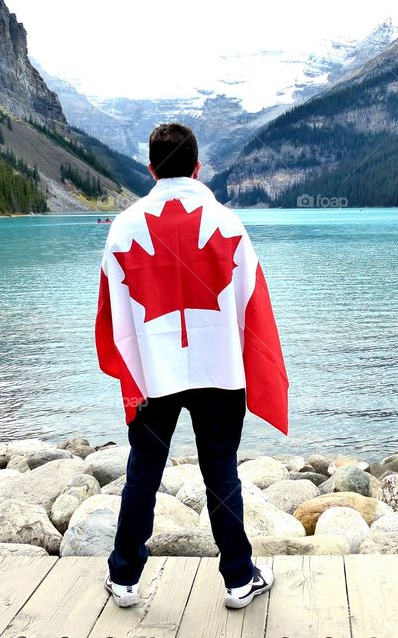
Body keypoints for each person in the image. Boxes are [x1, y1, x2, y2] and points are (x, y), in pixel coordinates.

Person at [95, 123, 289, 610]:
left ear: (150, 169)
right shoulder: (228, 224)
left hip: (152, 375)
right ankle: (239, 579)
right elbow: (253, 305)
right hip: (218, 371)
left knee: (143, 471)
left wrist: (127, 365)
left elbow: (111, 311)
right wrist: (258, 365)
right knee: (221, 473)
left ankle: (124, 578)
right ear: (198, 167)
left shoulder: (124, 227)